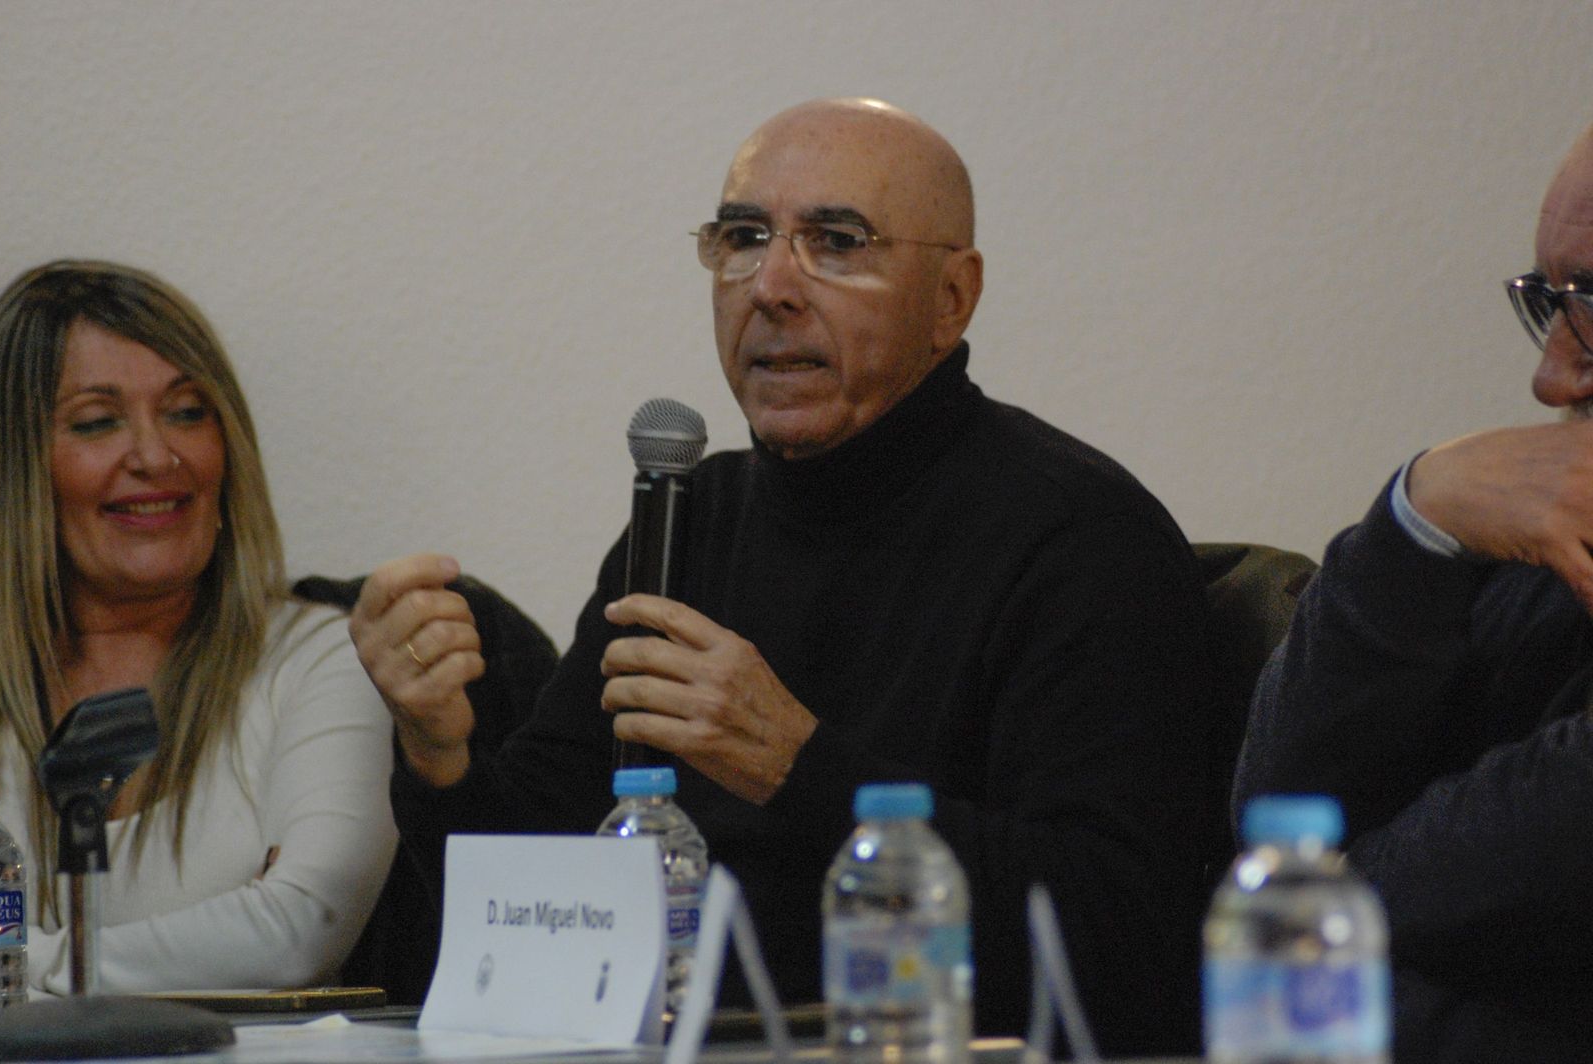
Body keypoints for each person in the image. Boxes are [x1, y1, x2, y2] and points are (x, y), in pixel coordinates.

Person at [354, 99, 1218, 1055]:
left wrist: (798, 766)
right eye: (743, 236)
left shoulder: (1080, 536)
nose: (770, 285)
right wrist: (441, 757)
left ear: (952, 299)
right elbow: (545, 899)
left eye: (836, 241)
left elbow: (1119, 937)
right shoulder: (693, 516)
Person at [1236, 123, 1593, 1061]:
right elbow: (1275, 835)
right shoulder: (1536, 537)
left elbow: (1289, 927)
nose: (1551, 376)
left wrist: (1313, 937)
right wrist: (1414, 522)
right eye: (1547, 301)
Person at [0, 260, 397, 994]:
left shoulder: (320, 659)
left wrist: (16, 966)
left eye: (186, 412)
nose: (155, 456)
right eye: (96, 422)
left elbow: (297, 934)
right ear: (17, 465)